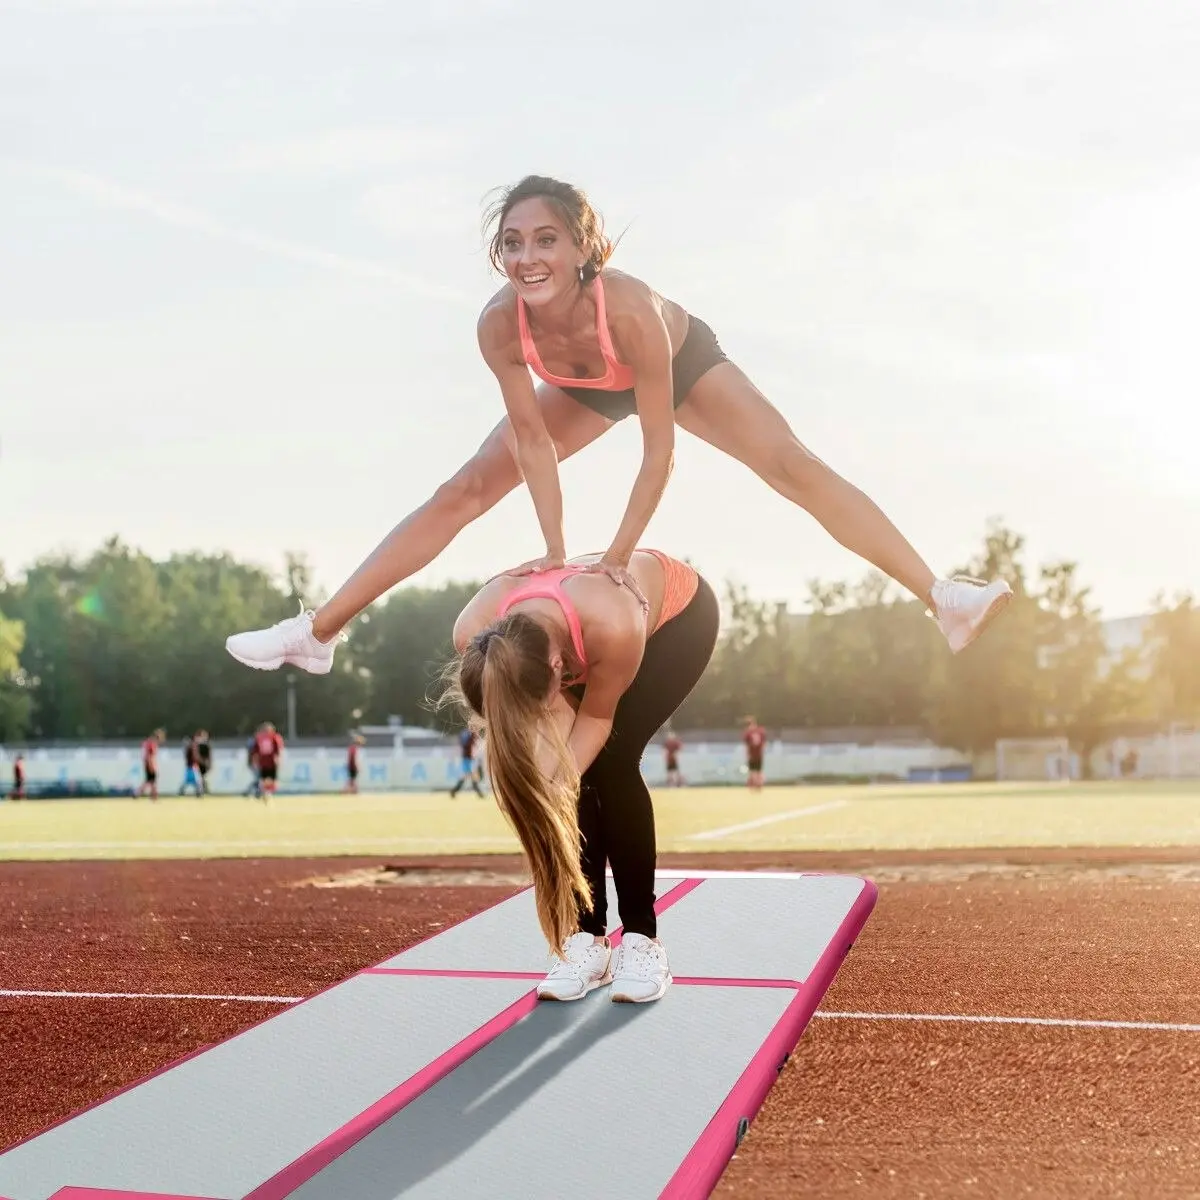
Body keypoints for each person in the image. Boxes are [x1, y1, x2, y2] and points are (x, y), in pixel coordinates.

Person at [225, 175, 1012, 676]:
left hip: (673, 363)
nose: (527, 257)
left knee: (789, 465)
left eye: (546, 240)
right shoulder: (500, 326)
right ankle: (317, 632)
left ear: (582, 247)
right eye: (512, 243)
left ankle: (940, 594)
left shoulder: (627, 306)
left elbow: (659, 448)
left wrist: (621, 557)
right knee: (462, 488)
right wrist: (561, 551)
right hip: (590, 385)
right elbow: (534, 443)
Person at [443, 546, 719, 1005]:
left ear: (558, 668)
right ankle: (587, 942)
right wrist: (541, 789)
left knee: (612, 759)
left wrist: (555, 782)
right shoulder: (475, 638)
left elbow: (595, 720)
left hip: (678, 620)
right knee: (581, 773)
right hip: (568, 630)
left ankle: (642, 942)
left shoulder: (612, 625)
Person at [449, 726, 485, 798]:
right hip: (468, 759)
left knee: (470, 776)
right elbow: (470, 747)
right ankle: (454, 791)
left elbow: (464, 744)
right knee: (470, 776)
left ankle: (454, 791)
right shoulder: (470, 735)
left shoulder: (466, 734)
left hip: (467, 758)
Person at [253, 722, 284, 803]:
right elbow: (278, 750)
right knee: (271, 781)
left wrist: (255, 760)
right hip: (269, 762)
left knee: (266, 780)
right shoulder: (274, 737)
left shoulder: (259, 737)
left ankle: (264, 793)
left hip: (264, 762)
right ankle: (266, 794)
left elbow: (255, 751)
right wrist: (278, 760)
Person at [137, 729, 164, 801]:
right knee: (151, 780)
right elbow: (150, 756)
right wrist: (152, 766)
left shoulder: (148, 742)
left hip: (147, 764)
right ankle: (151, 796)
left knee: (150, 781)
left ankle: (152, 796)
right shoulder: (152, 743)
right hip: (150, 764)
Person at [742, 716, 767, 791]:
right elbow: (764, 743)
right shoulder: (761, 731)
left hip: (752, 754)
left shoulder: (747, 733)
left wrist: (747, 754)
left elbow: (747, 745)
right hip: (759, 754)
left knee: (753, 771)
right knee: (759, 770)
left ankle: (754, 784)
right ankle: (759, 784)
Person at [194, 730, 212, 795]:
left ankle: (203, 790)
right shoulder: (197, 745)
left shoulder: (207, 745)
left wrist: (209, 763)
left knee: (203, 777)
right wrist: (203, 762)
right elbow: (196, 755)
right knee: (199, 778)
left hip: (204, 763)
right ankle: (200, 791)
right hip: (198, 764)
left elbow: (209, 755)